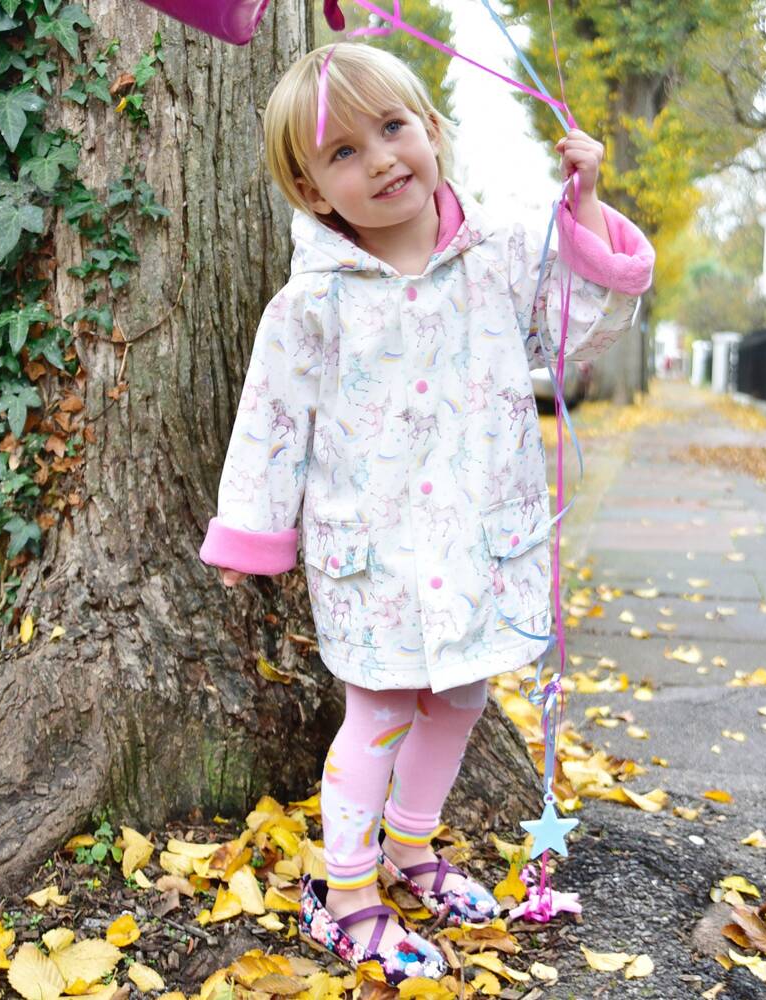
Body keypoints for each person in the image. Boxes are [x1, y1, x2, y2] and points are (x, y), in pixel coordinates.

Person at [199, 41, 654, 986]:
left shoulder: (501, 257)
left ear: (433, 131)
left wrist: (587, 215)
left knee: (461, 695)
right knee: (379, 709)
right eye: (344, 153)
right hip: (377, 557)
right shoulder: (313, 303)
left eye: (394, 129)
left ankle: (413, 850)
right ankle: (349, 890)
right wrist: (253, 528)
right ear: (313, 189)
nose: (381, 160)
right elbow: (272, 421)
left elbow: (584, 333)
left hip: (479, 539)